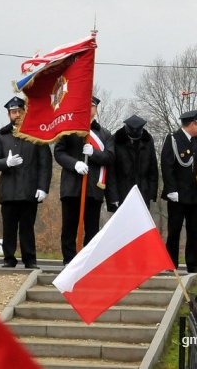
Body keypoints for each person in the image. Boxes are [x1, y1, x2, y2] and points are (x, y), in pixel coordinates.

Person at [0, 97, 53, 269]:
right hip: (9, 191)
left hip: (29, 190)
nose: (17, 115)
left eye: (19, 111)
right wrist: (6, 163)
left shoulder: (36, 134)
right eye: (13, 112)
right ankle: (9, 259)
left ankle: (30, 259)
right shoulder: (1, 136)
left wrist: (43, 187)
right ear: (8, 114)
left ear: (25, 112)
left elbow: (45, 163)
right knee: (9, 228)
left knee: (27, 227)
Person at [54, 96, 114, 265]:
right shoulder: (68, 128)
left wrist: (94, 153)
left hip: (93, 188)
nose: (89, 109)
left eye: (92, 106)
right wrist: (75, 164)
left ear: (96, 109)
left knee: (92, 228)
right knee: (69, 226)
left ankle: (88, 262)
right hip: (71, 186)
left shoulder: (104, 134)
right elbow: (59, 153)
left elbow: (110, 157)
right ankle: (69, 261)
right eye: (86, 105)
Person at [160, 109, 197, 273]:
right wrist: (171, 189)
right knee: (174, 229)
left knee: (195, 231)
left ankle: (193, 264)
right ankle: (170, 263)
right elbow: (167, 166)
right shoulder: (173, 139)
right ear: (191, 124)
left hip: (196, 195)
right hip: (178, 195)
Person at [106, 114, 158, 211]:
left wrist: (152, 193)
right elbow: (111, 171)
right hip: (122, 192)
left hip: (143, 191)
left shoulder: (148, 140)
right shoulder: (116, 140)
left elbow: (153, 168)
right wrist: (113, 196)